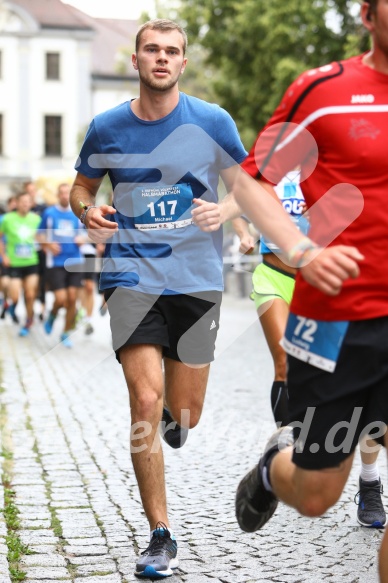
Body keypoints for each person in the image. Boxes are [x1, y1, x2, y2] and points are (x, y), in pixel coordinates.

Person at [69, 19, 249, 578]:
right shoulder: (107, 127)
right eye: (153, 49)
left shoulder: (211, 121)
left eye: (173, 51)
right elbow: (82, 186)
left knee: (183, 412)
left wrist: (225, 210)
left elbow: (246, 184)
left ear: (184, 62)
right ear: (137, 58)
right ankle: (160, 533)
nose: (162, 58)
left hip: (196, 278)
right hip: (131, 276)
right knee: (144, 403)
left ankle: (178, 416)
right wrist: (86, 210)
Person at [234, 1, 388, 580]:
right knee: (318, 493)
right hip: (335, 322)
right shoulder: (323, 90)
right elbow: (252, 180)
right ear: (367, 13)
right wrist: (301, 251)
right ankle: (275, 469)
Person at [235, 170, 386, 528]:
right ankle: (288, 443)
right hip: (279, 275)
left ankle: (369, 479)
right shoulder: (281, 159)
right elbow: (242, 195)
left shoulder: (349, 161)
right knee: (285, 359)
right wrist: (243, 234)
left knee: (372, 395)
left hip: (346, 285)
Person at [38, 183, 85, 348]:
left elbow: (88, 233)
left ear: (71, 195)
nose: (65, 196)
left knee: (72, 299)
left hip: (75, 260)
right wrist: (48, 244)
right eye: (62, 193)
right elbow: (38, 235)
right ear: (58, 195)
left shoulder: (79, 213)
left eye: (68, 193)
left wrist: (84, 239)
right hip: (56, 262)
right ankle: (52, 315)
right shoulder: (49, 213)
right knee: (61, 299)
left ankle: (65, 332)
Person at [0, 191, 41, 335]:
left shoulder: (36, 219)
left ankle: (29, 321)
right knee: (15, 295)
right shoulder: (7, 219)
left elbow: (42, 237)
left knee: (30, 295)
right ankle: (11, 306)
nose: (25, 204)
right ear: (16, 203)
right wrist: (3, 255)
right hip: (14, 263)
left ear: (31, 203)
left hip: (31, 262)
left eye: (27, 201)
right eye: (22, 201)